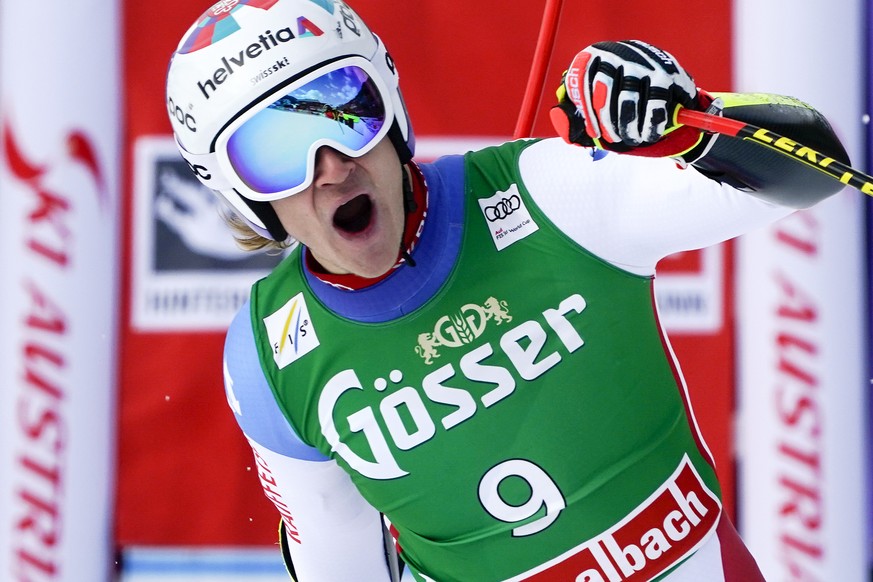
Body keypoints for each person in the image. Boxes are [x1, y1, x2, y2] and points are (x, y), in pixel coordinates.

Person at [165, 1, 849, 580]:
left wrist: (685, 121)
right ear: (235, 191)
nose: (331, 168)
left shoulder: (550, 191)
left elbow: (814, 167)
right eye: (275, 154)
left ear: (392, 105)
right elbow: (341, 562)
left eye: (347, 111)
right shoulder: (267, 359)